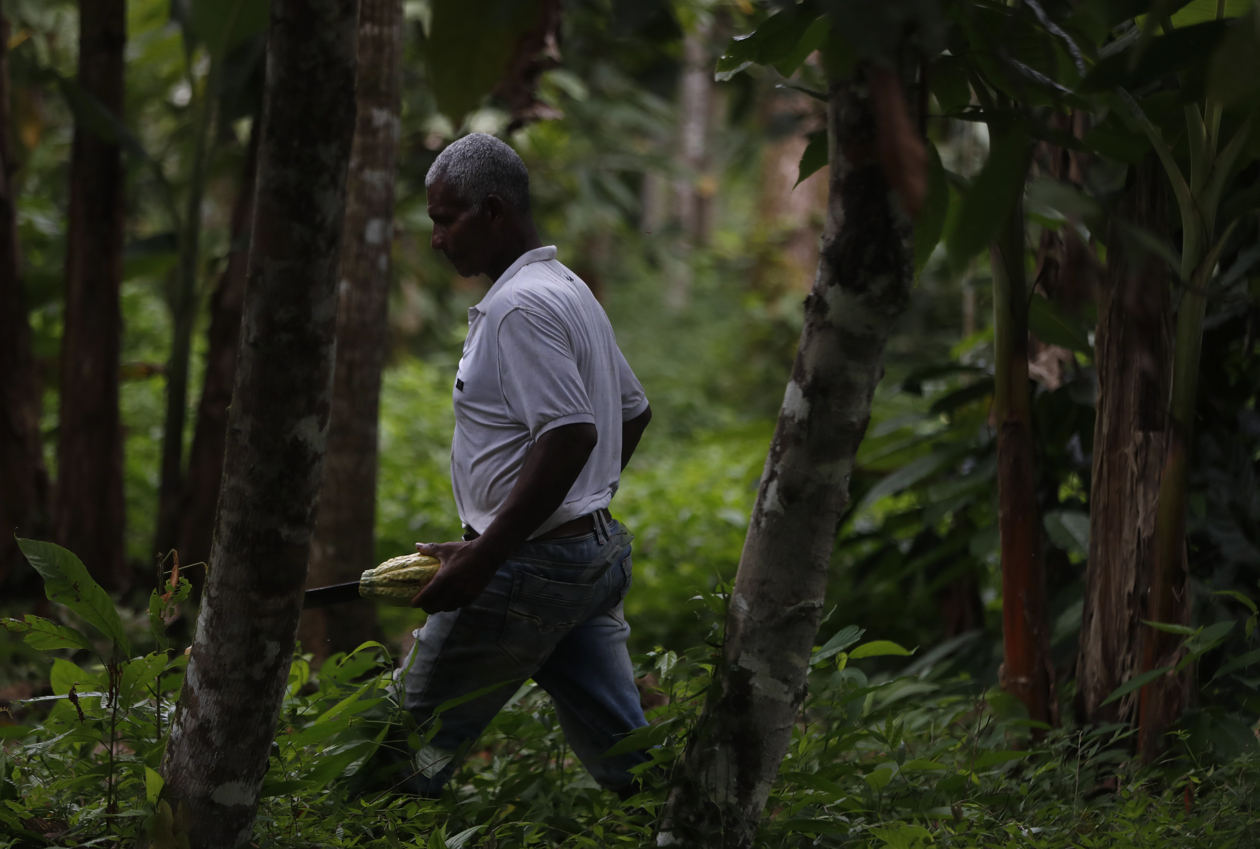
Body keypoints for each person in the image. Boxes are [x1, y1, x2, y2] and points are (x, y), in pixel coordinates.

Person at [395, 133, 653, 799]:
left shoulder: (520, 306)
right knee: (632, 758)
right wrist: (580, 506)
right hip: (584, 558)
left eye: (445, 219)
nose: (437, 238)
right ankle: (697, 820)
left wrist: (486, 558)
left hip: (524, 571)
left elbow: (569, 435)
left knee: (399, 749)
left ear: (493, 211)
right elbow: (634, 411)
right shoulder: (567, 288)